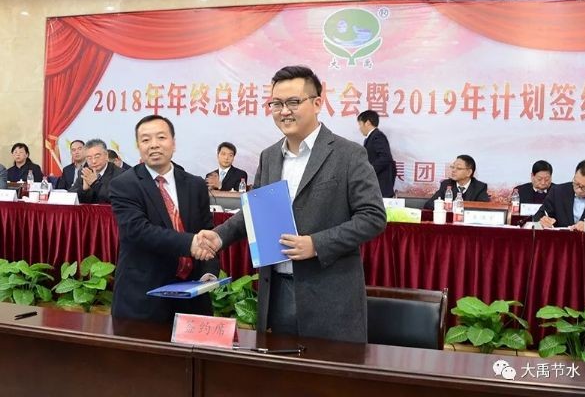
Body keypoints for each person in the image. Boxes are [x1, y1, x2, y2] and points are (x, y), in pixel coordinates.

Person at [196, 65, 386, 343]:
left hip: (330, 296)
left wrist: (316, 244)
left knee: (328, 371)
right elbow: (256, 211)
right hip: (278, 292)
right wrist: (219, 236)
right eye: (277, 104)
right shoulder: (269, 156)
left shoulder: (348, 154)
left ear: (317, 103)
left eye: (294, 102)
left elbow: (373, 217)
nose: (284, 111)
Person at [109, 115, 219, 322]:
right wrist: (190, 243)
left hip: (192, 299)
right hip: (144, 298)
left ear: (173, 143)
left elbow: (207, 231)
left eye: (161, 137)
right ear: (138, 146)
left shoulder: (195, 184)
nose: (154, 145)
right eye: (146, 140)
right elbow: (138, 231)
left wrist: (209, 273)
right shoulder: (124, 184)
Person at [534, 159, 585, 231]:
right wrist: (543, 220)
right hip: (560, 237)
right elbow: (538, 216)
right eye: (576, 183)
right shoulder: (557, 191)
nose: (578, 190)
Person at [424, 154, 490, 209]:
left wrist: (456, 207)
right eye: (453, 167)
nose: (453, 170)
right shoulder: (446, 184)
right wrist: (444, 206)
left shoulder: (479, 187)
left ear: (469, 172)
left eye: (458, 168)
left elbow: (484, 208)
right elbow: (429, 204)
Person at [357, 110, 396, 198]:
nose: (359, 128)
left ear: (367, 123)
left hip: (381, 186)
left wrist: (369, 171)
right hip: (376, 186)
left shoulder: (377, 136)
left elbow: (385, 158)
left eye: (360, 124)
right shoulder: (372, 137)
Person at [71, 139, 123, 203]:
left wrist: (95, 184)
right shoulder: (84, 172)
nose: (93, 161)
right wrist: (84, 190)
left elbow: (116, 199)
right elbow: (70, 195)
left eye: (97, 156)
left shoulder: (120, 174)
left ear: (106, 156)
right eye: (89, 158)